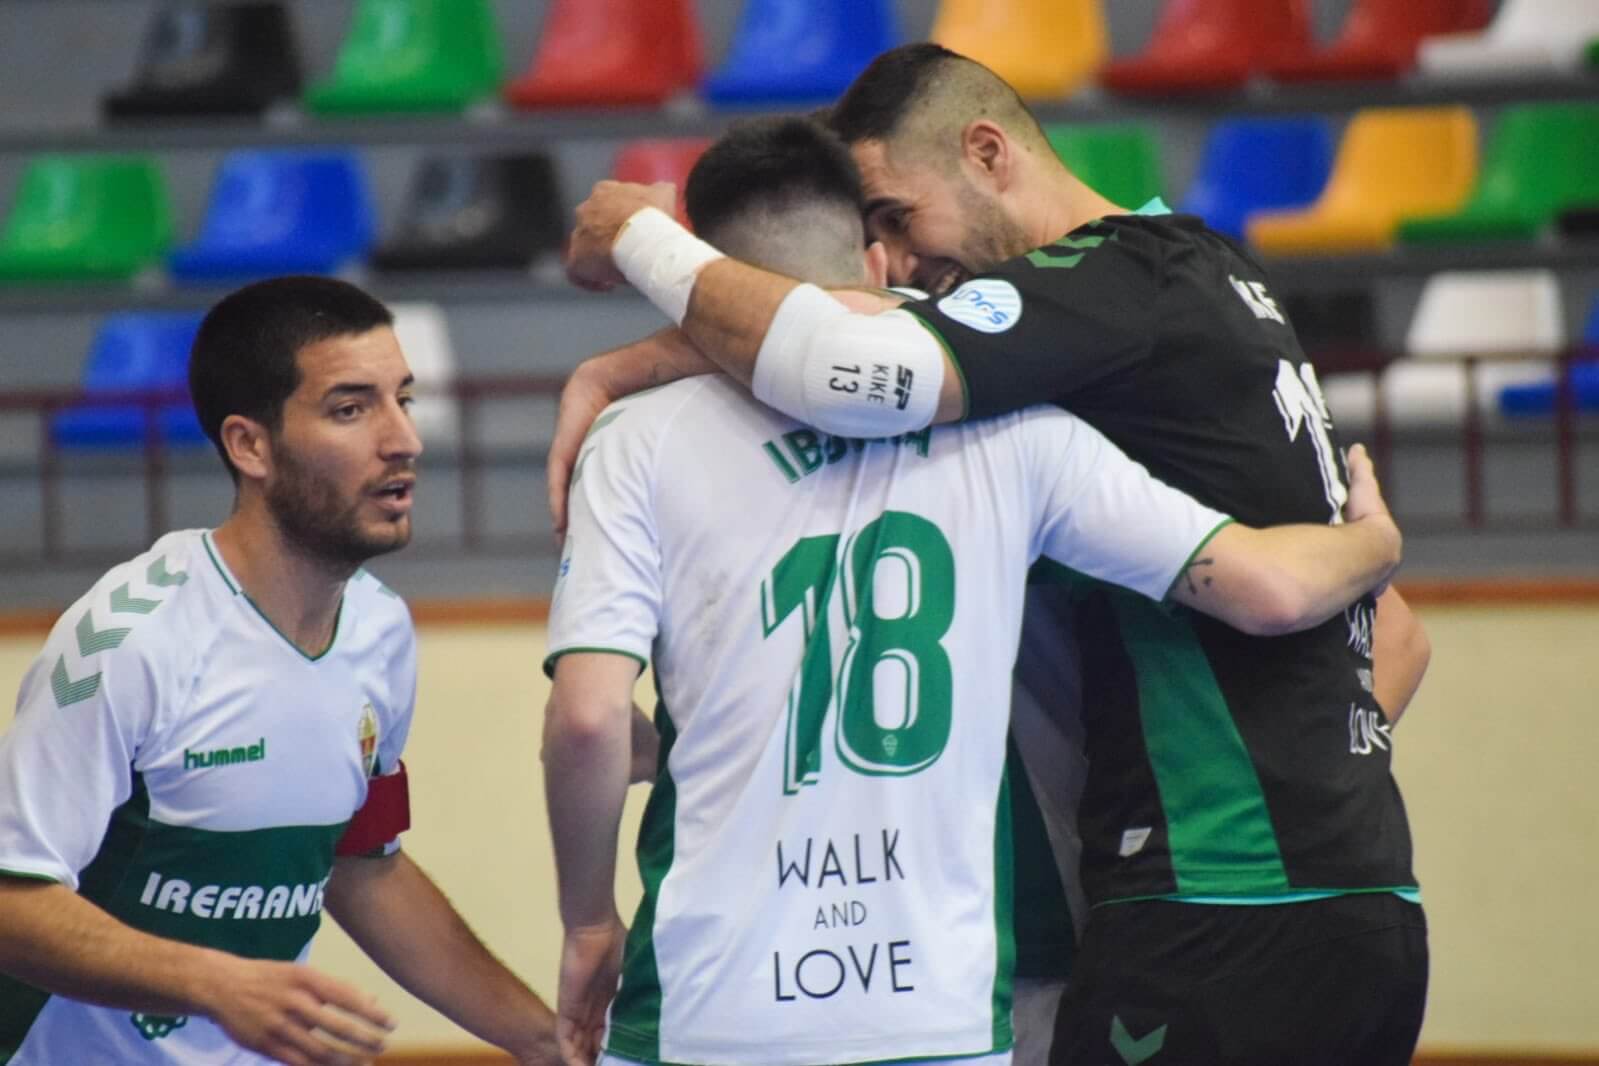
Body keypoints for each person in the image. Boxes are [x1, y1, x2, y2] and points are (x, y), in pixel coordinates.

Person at [559, 47, 1431, 1066]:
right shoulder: (1173, 299)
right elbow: (1396, 637)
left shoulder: (1109, 290)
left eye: (895, 215)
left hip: (1208, 904)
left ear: (986, 152)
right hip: (1354, 894)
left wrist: (642, 243)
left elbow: (850, 357)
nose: (896, 257)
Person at [0, 277, 558, 1066]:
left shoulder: (380, 630)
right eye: (351, 408)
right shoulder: (129, 640)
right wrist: (214, 983)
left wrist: (549, 1042)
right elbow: (10, 905)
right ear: (249, 445)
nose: (404, 439)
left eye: (403, 398)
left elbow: (361, 867)